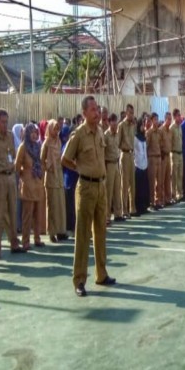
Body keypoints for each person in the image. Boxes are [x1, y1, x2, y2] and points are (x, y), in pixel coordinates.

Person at [61, 95, 115, 297]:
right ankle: (79, 280)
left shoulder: (100, 131)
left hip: (101, 186)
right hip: (85, 187)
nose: (97, 112)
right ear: (84, 113)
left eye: (97, 108)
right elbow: (65, 159)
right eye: (93, 109)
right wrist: (80, 168)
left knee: (101, 232)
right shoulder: (78, 135)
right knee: (83, 235)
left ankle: (101, 274)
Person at [0, 109, 26, 259]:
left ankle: (14, 244)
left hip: (10, 177)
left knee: (12, 211)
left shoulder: (10, 136)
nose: (5, 124)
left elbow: (13, 156)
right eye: (2, 122)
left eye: (6, 121)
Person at [15, 122, 45, 250]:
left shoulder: (38, 146)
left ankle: (37, 239)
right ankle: (25, 242)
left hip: (38, 183)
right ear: (27, 133)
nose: (34, 135)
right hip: (27, 184)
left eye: (36, 133)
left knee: (38, 214)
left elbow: (41, 162)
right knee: (27, 215)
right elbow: (17, 166)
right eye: (32, 132)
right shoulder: (23, 147)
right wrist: (24, 175)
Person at [41, 119, 68, 243]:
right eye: (54, 129)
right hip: (51, 176)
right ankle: (51, 232)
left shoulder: (58, 141)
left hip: (59, 176)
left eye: (58, 129)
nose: (56, 132)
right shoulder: (46, 143)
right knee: (51, 205)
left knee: (60, 205)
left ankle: (60, 230)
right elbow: (42, 159)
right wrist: (47, 168)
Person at [104, 113, 125, 224]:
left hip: (116, 163)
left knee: (117, 190)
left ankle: (118, 213)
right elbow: (103, 152)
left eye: (116, 122)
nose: (116, 125)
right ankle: (107, 216)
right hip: (109, 165)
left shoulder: (117, 134)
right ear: (109, 122)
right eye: (114, 122)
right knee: (108, 191)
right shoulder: (106, 135)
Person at [118, 103, 136, 218]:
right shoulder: (121, 125)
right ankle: (124, 210)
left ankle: (132, 208)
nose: (131, 115)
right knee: (124, 184)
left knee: (132, 183)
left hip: (131, 155)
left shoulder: (132, 125)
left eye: (133, 113)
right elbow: (118, 143)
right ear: (126, 113)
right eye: (130, 113)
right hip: (124, 154)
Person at [146, 112, 163, 210]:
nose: (156, 121)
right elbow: (146, 146)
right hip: (152, 158)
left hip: (158, 157)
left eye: (157, 119)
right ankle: (152, 202)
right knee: (152, 181)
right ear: (152, 120)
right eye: (155, 119)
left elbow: (160, 144)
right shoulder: (149, 132)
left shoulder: (159, 132)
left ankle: (158, 201)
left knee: (159, 181)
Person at [134, 115, 150, 215]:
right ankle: (138, 207)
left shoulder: (144, 137)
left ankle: (144, 206)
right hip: (138, 165)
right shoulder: (135, 137)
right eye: (142, 125)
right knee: (138, 188)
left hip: (145, 165)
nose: (143, 127)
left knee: (144, 187)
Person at [170, 109, 184, 203]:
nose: (180, 117)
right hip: (174, 153)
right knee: (174, 175)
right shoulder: (172, 128)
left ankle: (180, 194)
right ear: (174, 117)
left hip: (180, 153)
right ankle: (173, 196)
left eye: (180, 115)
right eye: (178, 115)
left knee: (180, 174)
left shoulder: (179, 127)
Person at [160, 112, 174, 205]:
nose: (170, 121)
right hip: (162, 156)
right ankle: (161, 199)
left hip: (169, 155)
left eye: (170, 119)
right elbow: (159, 144)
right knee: (161, 179)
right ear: (165, 119)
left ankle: (168, 199)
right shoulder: (161, 130)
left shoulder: (170, 131)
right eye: (168, 119)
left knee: (168, 178)